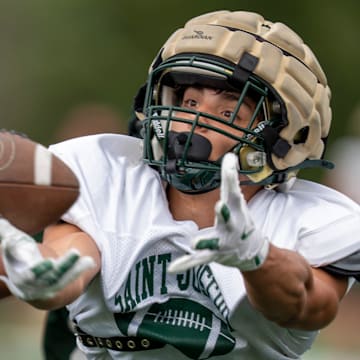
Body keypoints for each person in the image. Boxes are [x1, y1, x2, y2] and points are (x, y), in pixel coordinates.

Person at [0, 10, 360, 360]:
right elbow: (70, 258)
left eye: (227, 112)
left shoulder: (311, 220)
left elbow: (310, 305)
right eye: (189, 102)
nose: (194, 121)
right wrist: (39, 277)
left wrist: (260, 259)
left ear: (283, 138)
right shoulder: (113, 176)